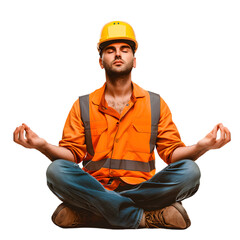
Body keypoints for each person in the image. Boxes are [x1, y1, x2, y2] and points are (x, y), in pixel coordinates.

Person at [13, 21, 231, 229]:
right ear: (101, 61)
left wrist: (203, 146)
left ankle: (95, 212)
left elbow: (172, 154)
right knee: (56, 171)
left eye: (125, 49)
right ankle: (143, 217)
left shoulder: (155, 104)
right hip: (94, 186)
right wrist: (41, 146)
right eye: (110, 50)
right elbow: (72, 155)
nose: (118, 54)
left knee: (190, 171)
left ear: (134, 60)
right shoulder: (82, 105)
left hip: (144, 189)